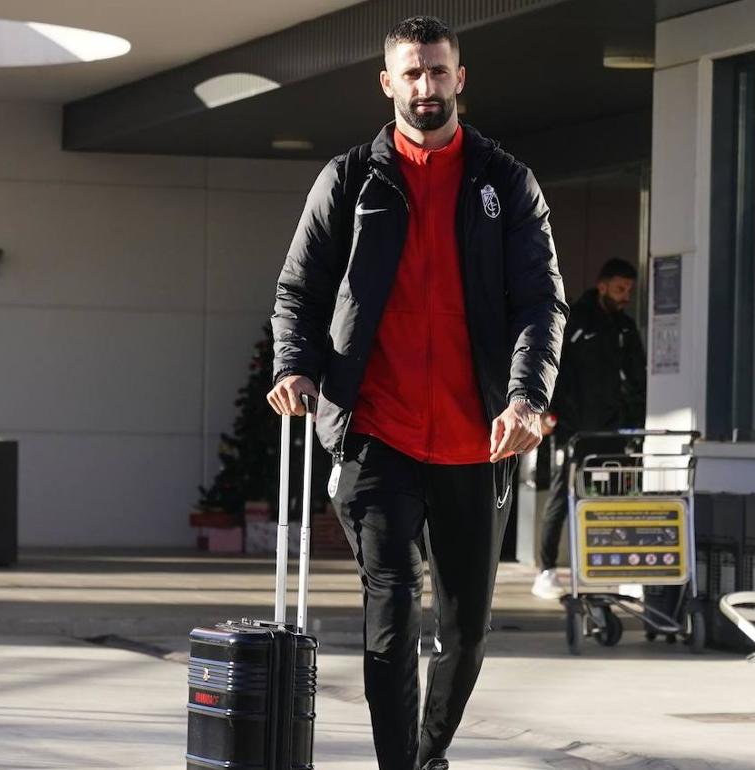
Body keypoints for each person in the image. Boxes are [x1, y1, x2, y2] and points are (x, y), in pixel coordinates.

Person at [265, 16, 566, 770]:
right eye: (411, 73)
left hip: (476, 441)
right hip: (377, 434)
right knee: (392, 614)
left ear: (459, 78)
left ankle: (428, 754)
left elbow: (542, 303)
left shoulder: (505, 182)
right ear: (387, 82)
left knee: (466, 633)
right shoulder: (349, 180)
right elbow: (299, 290)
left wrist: (525, 398)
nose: (425, 86)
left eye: (437, 71)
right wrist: (293, 366)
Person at [531, 258, 646, 599]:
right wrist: (546, 412)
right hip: (572, 428)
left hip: (612, 431)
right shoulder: (575, 320)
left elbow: (637, 380)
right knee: (561, 498)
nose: (625, 296)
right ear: (602, 285)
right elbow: (554, 367)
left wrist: (635, 424)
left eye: (629, 290)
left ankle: (616, 566)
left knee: (615, 497)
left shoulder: (625, 328)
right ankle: (547, 570)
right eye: (620, 288)